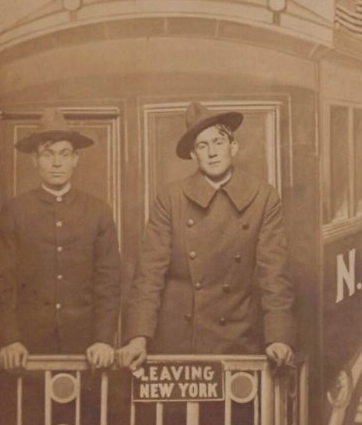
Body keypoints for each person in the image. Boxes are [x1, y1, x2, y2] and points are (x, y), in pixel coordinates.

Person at [118, 101, 295, 368]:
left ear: (233, 147)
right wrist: (138, 337)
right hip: (179, 339)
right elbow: (149, 273)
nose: (212, 153)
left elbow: (274, 274)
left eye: (218, 142)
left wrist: (279, 338)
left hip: (237, 335)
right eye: (202, 146)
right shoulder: (171, 197)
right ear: (193, 155)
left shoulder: (264, 197)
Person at [0, 109, 121, 425]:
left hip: (86, 350)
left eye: (64, 153)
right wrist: (10, 339)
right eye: (48, 154)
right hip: (28, 351)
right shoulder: (15, 212)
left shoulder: (98, 212)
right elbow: (0, 281)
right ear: (36, 160)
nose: (56, 162)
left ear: (76, 159)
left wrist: (104, 340)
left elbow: (109, 282)